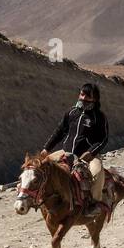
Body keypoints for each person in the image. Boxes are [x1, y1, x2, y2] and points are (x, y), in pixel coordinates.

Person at [44, 82, 108, 216]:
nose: (83, 98)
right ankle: (37, 195)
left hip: (89, 155)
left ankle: (93, 205)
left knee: (97, 172)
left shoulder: (99, 117)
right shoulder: (71, 112)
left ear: (95, 99)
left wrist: (91, 152)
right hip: (66, 151)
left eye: (88, 96)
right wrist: (46, 149)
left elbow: (103, 139)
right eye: (82, 94)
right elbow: (59, 132)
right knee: (42, 164)